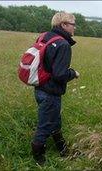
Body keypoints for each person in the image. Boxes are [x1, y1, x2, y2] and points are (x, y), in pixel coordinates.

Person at [31, 11, 80, 165]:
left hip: (39, 88)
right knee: (45, 126)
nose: (75, 28)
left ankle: (63, 149)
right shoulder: (63, 45)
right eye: (73, 24)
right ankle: (39, 159)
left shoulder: (45, 36)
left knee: (55, 121)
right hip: (51, 92)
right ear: (64, 25)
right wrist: (73, 73)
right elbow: (59, 75)